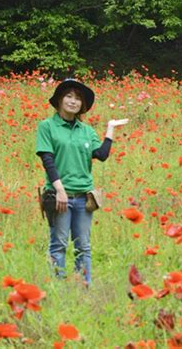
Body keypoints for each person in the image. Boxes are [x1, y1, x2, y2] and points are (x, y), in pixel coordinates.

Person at [36, 79, 128, 286]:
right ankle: (58, 288)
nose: (73, 101)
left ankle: (83, 287)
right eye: (68, 96)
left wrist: (110, 129)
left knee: (83, 246)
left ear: (82, 105)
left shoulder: (87, 131)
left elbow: (101, 154)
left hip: (84, 198)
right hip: (59, 196)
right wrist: (59, 189)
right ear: (59, 100)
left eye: (78, 98)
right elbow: (47, 159)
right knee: (58, 245)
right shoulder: (47, 126)